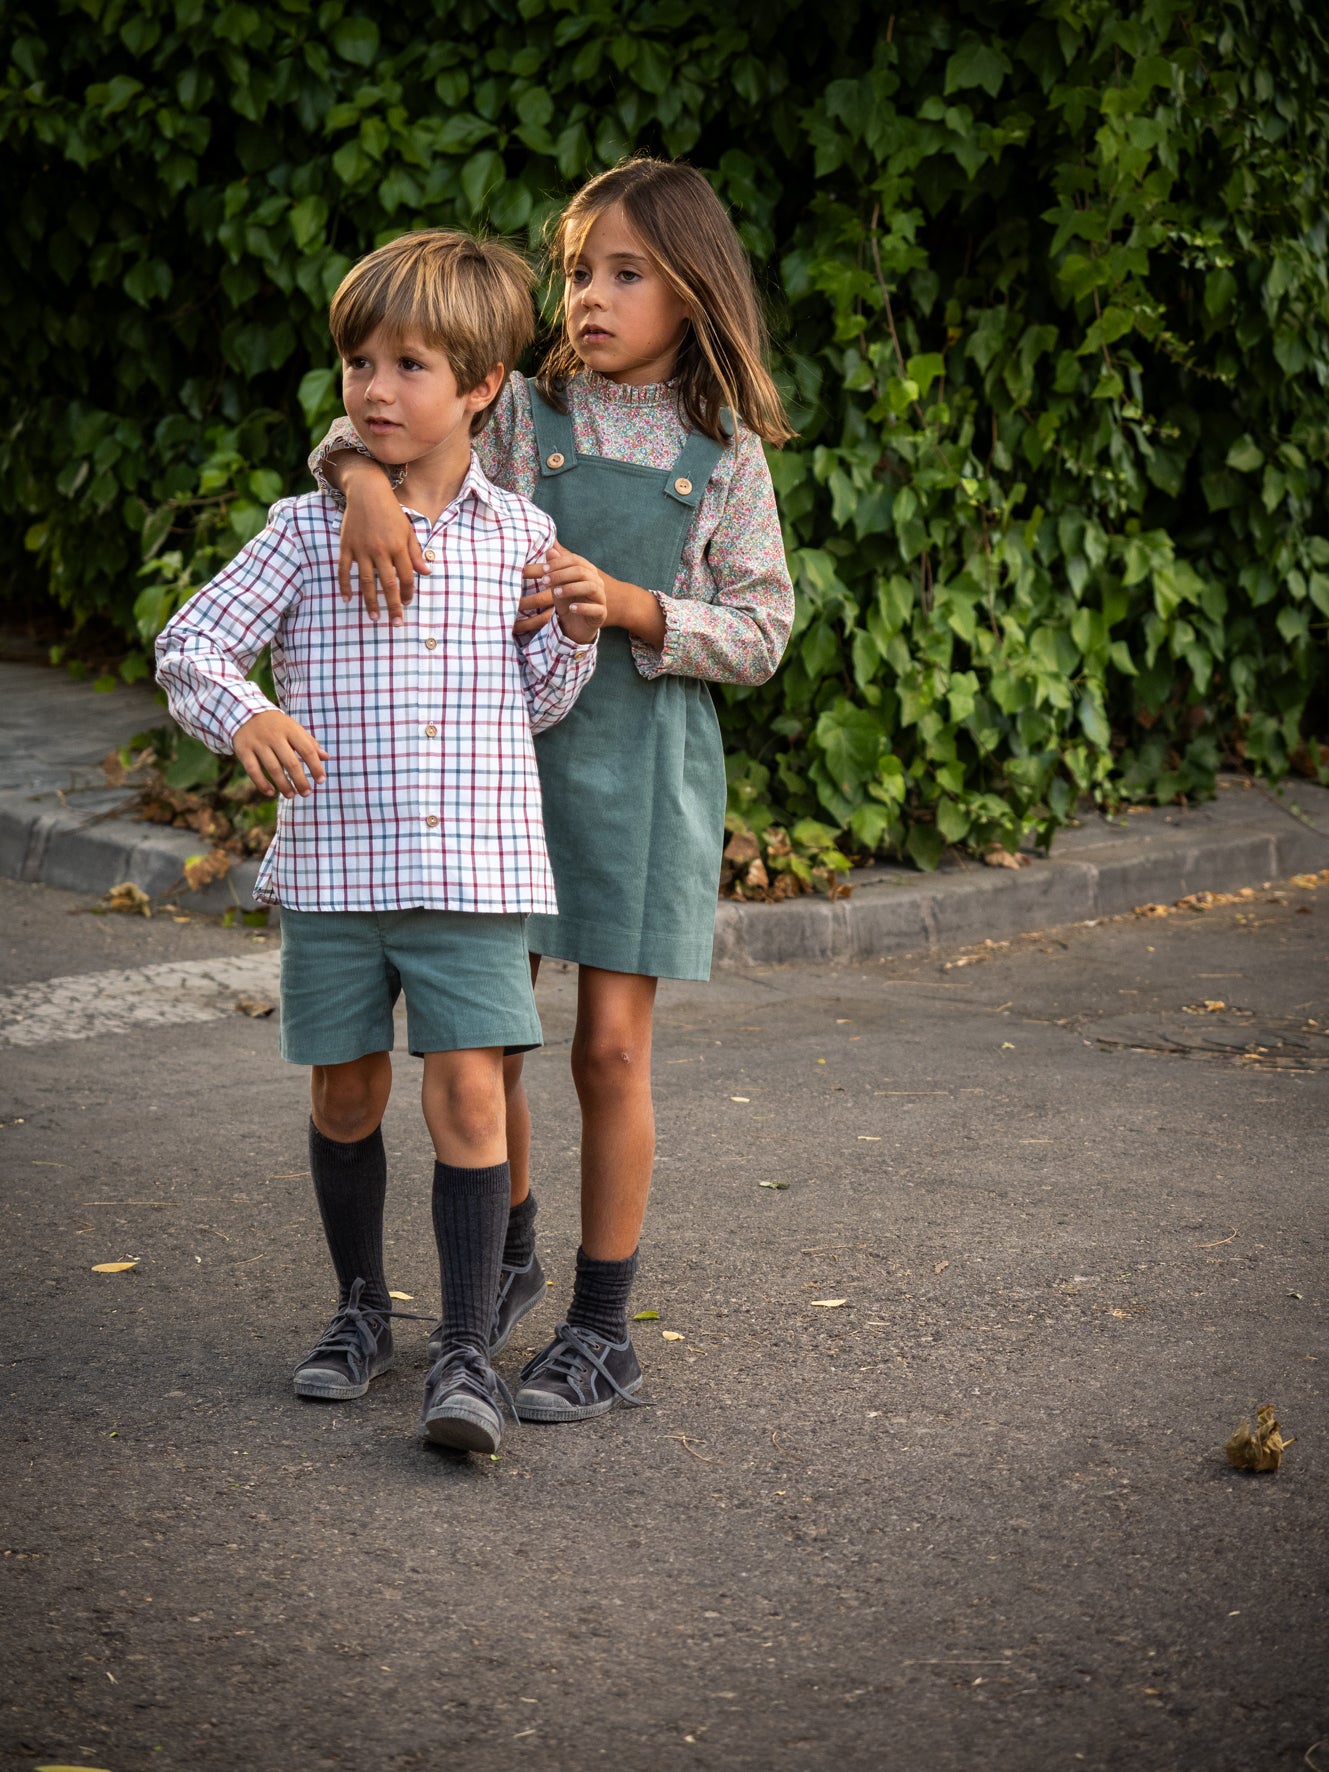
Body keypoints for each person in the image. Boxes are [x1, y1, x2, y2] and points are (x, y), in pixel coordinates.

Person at [309, 157, 794, 1425]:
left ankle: (601, 1325)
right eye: (580, 269)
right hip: (496, 765)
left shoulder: (725, 452)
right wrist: (362, 484)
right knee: (494, 1037)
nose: (590, 295)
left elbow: (763, 630)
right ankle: (506, 1246)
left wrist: (636, 606)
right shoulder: (520, 409)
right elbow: (376, 426)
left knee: (611, 1049)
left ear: (693, 290)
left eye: (625, 273)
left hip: (641, 780)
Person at [156, 230, 606, 1457]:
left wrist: (571, 631)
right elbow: (190, 645)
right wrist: (244, 712)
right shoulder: (306, 531)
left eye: (411, 364)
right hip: (336, 872)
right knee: (348, 1092)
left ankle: (466, 1350)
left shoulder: (521, 534)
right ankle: (360, 1305)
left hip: (472, 873)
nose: (375, 387)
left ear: (480, 388)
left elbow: (541, 698)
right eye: (360, 360)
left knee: (468, 1094)